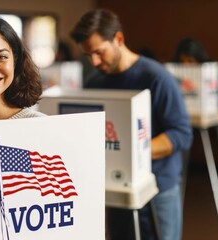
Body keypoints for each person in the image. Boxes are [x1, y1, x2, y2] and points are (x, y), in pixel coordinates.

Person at [71, 9, 193, 240]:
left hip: (158, 189)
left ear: (118, 39)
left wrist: (134, 153)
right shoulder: (94, 83)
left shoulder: (156, 77)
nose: (94, 61)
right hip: (115, 189)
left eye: (99, 52)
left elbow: (181, 133)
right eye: (88, 55)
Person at [173, 37, 218, 111]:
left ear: (199, 59)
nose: (186, 65)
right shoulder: (173, 72)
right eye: (182, 61)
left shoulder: (212, 72)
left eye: (190, 61)